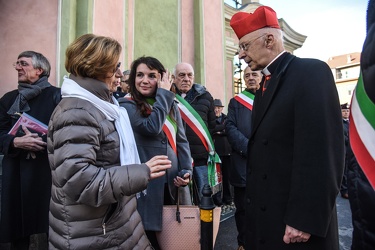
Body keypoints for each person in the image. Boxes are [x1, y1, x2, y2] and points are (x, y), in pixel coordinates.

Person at [230, 6, 344, 249]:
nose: (240, 55)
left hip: (297, 225)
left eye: (245, 46)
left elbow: (323, 153)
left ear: (269, 39)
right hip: (270, 218)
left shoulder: (310, 72)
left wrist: (304, 219)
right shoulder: (264, 86)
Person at [47, 34, 172, 249]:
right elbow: (81, 182)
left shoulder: (102, 105)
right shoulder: (77, 112)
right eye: (115, 67)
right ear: (98, 68)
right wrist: (142, 171)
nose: (118, 74)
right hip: (93, 231)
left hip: (109, 223)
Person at [118, 56, 192, 249]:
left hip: (172, 184)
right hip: (147, 185)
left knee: (173, 239)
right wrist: (164, 96)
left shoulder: (170, 105)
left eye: (152, 76)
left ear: (161, 79)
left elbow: (181, 141)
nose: (144, 80)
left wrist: (186, 171)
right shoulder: (127, 105)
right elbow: (152, 127)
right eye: (140, 75)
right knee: (149, 239)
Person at [0, 51, 61, 249]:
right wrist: (15, 142)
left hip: (46, 172)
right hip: (15, 172)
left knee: (49, 226)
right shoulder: (9, 99)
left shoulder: (58, 96)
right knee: (18, 227)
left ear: (39, 70)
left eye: (23, 64)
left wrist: (39, 140)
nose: (18, 67)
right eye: (17, 63)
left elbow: (66, 131)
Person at [226, 66, 261, 250]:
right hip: (242, 163)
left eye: (254, 74)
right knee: (243, 209)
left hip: (266, 164)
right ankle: (244, 243)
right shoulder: (236, 102)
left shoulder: (269, 98)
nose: (250, 78)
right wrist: (250, 149)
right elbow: (230, 128)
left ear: (261, 76)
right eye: (246, 75)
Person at [173, 62, 217, 205]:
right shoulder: (167, 96)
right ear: (173, 78)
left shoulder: (205, 97)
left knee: (204, 200)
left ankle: (205, 227)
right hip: (176, 160)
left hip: (200, 160)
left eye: (189, 75)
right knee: (180, 202)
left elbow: (211, 126)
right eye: (181, 75)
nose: (186, 79)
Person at [212, 98, 233, 210]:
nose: (216, 110)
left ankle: (228, 198)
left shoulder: (226, 118)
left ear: (221, 108)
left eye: (218, 108)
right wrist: (221, 130)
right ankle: (218, 199)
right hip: (216, 153)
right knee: (217, 178)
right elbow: (212, 129)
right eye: (215, 108)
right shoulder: (211, 119)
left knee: (228, 177)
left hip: (228, 152)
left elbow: (229, 129)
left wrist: (219, 132)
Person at [340, 103, 350, 199]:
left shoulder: (351, 122)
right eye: (344, 111)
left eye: (347, 111)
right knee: (345, 169)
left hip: (351, 150)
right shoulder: (340, 123)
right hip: (344, 149)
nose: (346, 112)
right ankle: (344, 190)